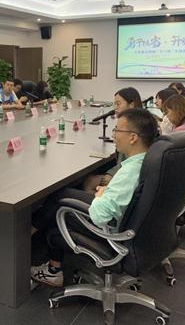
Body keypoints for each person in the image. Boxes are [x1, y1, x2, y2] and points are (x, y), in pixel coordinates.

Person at [31, 108, 159, 286]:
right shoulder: (147, 160)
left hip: (112, 230)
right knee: (64, 194)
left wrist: (100, 195)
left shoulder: (130, 172)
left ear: (132, 137)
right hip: (132, 226)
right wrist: (107, 192)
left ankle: (52, 269)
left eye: (117, 130)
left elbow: (100, 216)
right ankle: (34, 231)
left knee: (60, 204)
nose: (113, 135)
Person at [81, 87, 143, 193]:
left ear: (131, 105)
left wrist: (111, 175)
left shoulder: (134, 128)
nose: (115, 108)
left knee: (89, 181)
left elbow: (128, 162)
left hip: (125, 178)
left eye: (118, 104)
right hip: (127, 175)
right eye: (114, 104)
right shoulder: (141, 121)